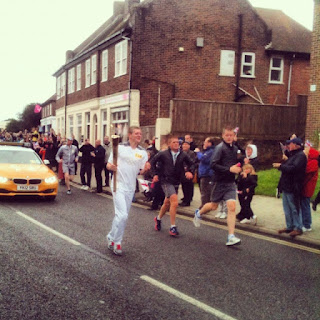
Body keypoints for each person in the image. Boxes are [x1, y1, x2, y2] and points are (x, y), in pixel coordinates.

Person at [193, 126, 242, 246]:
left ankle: (231, 236)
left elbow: (236, 162)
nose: (229, 137)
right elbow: (213, 164)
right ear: (223, 136)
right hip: (219, 182)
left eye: (231, 135)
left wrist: (239, 168)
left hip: (230, 183)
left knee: (232, 207)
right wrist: (229, 169)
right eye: (227, 135)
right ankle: (198, 213)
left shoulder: (235, 148)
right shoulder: (220, 148)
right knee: (213, 206)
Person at [106, 126, 150, 256]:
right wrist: (111, 167)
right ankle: (117, 242)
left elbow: (140, 171)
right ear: (130, 135)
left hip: (131, 187)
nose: (139, 135)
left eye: (140, 134)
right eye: (136, 133)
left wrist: (146, 169)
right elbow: (108, 164)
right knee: (123, 215)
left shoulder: (142, 152)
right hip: (117, 184)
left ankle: (111, 236)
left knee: (121, 216)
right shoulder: (119, 147)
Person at [151, 135, 194, 236]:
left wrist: (190, 171)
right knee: (174, 201)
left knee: (167, 203)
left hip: (176, 181)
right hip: (165, 180)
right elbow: (152, 161)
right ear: (169, 144)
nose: (176, 144)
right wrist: (155, 174)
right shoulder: (163, 154)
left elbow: (192, 164)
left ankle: (158, 219)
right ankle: (173, 227)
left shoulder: (183, 154)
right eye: (174, 142)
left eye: (177, 142)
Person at [273, 137, 307, 237]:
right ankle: (290, 226)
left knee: (294, 208)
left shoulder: (300, 156)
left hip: (293, 186)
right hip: (286, 186)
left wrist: (280, 166)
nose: (288, 146)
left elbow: (294, 169)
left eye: (290, 144)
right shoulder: (293, 155)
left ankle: (298, 228)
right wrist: (283, 163)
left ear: (296, 145)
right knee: (287, 208)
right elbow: (288, 167)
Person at [301, 146, 319, 231]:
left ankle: (307, 225)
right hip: (307, 187)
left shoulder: (313, 162)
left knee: (305, 206)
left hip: (307, 188)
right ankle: (305, 223)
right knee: (304, 205)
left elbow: (304, 170)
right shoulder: (312, 161)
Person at [195, 137, 215, 209]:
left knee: (205, 191)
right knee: (204, 190)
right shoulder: (207, 151)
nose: (204, 143)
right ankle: (207, 205)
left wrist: (198, 152)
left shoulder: (211, 151)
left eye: (206, 142)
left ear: (209, 143)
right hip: (204, 173)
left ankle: (204, 205)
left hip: (207, 173)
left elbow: (203, 159)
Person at [179, 141, 197, 206]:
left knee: (188, 186)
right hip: (182, 171)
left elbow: (193, 162)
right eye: (183, 145)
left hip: (189, 171)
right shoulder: (181, 153)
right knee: (184, 185)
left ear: (189, 146)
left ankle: (188, 200)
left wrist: (190, 170)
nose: (185, 146)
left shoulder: (191, 153)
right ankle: (185, 198)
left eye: (186, 145)